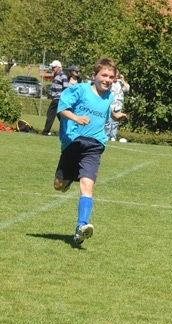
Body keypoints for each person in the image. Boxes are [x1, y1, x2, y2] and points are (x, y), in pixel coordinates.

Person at [52, 57, 127, 245]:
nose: (107, 80)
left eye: (111, 77)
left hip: (95, 145)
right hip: (74, 142)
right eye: (104, 75)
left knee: (87, 186)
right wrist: (76, 118)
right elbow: (62, 109)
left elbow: (108, 111)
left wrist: (116, 116)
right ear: (94, 75)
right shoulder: (80, 89)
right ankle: (69, 178)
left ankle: (81, 227)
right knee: (58, 185)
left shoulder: (109, 96)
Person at [42, 60, 70, 136]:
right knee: (60, 116)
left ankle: (46, 131)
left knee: (50, 114)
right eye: (52, 67)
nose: (52, 69)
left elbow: (66, 88)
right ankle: (67, 131)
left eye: (54, 67)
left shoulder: (62, 75)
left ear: (58, 67)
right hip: (56, 98)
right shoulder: (56, 75)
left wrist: (63, 98)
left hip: (58, 98)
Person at [105, 72, 129, 142]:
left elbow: (127, 89)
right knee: (108, 121)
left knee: (115, 122)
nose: (116, 77)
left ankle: (113, 137)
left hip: (118, 105)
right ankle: (106, 136)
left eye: (117, 76)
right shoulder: (110, 83)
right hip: (110, 104)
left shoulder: (120, 83)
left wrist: (123, 79)